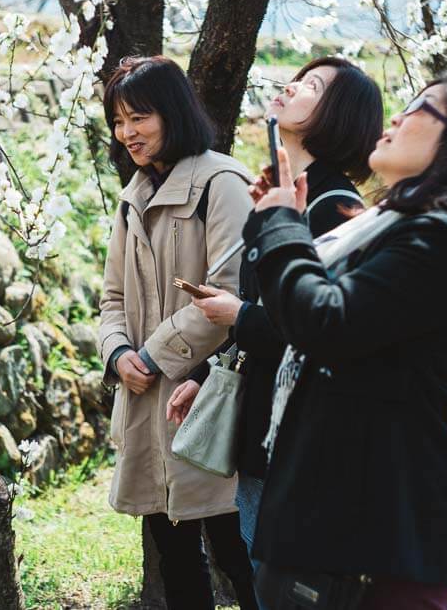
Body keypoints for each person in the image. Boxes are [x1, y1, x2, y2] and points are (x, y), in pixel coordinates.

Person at [243, 79, 447, 609]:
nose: (396, 117)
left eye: (421, 108)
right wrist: (282, 223)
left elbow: (325, 323)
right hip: (346, 517)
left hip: (373, 533)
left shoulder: (437, 244)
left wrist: (283, 228)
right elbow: (306, 314)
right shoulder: (386, 231)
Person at [166, 57, 384, 577]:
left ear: (340, 117)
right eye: (299, 77)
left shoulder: (333, 209)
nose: (292, 85)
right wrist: (209, 377)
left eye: (312, 86)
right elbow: (269, 310)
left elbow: (319, 332)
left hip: (298, 446)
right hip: (265, 428)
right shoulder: (285, 197)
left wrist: (237, 316)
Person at [98, 56, 258, 609]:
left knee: (237, 553)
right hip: (147, 398)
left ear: (172, 112)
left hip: (208, 394)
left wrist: (151, 353)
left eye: (138, 117)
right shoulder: (133, 197)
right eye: (118, 121)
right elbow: (112, 298)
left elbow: (228, 292)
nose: (127, 133)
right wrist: (117, 353)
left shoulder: (222, 182)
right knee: (173, 552)